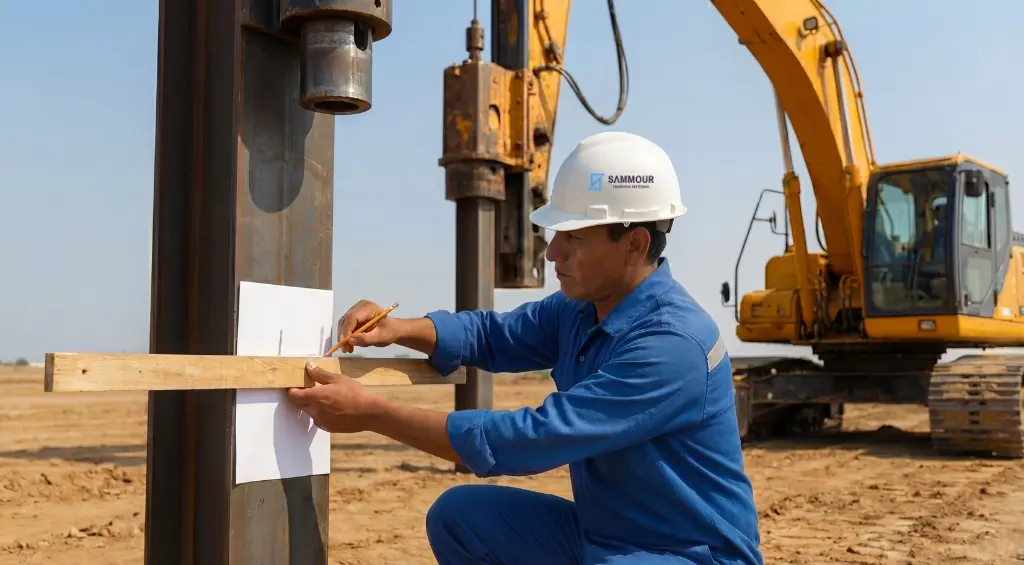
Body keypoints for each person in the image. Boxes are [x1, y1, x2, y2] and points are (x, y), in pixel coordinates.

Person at [287, 131, 763, 564]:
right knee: (461, 518)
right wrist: (400, 329)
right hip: (606, 535)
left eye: (573, 237)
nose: (553, 252)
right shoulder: (582, 308)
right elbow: (494, 335)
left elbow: (532, 439)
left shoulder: (672, 345)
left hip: (685, 552)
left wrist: (372, 414)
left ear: (635, 244)